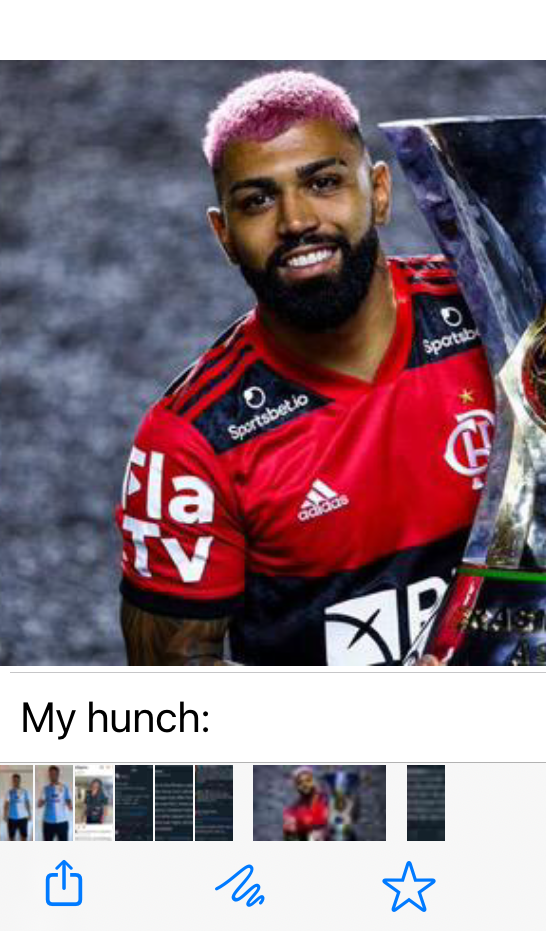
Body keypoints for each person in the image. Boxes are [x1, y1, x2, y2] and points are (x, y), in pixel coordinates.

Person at [117, 70, 494, 666]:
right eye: (257, 200)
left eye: (323, 182)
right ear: (224, 235)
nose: (295, 221)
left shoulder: (498, 319)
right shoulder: (191, 444)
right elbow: (171, 679)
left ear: (379, 192)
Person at [283, 767, 329, 841]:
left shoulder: (329, 800)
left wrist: (323, 833)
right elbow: (290, 839)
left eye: (308, 780)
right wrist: (290, 831)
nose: (305, 785)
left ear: (314, 781)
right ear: (296, 787)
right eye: (300, 783)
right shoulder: (292, 811)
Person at [38, 766, 72, 841]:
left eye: (55, 774)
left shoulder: (64, 787)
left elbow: (68, 800)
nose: (53, 776)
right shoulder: (46, 788)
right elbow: (40, 805)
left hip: (62, 821)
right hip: (48, 822)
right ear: (49, 775)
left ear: (58, 774)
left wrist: (70, 804)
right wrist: (42, 801)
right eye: (51, 774)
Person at [3, 773, 31, 841]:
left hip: (23, 817)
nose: (16, 782)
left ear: (19, 781)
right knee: (12, 837)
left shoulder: (24, 791)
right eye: (14, 780)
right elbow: (6, 804)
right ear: (13, 781)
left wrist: (29, 814)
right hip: (12, 817)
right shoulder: (9, 792)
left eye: (17, 780)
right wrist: (5, 815)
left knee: (24, 836)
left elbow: (27, 803)